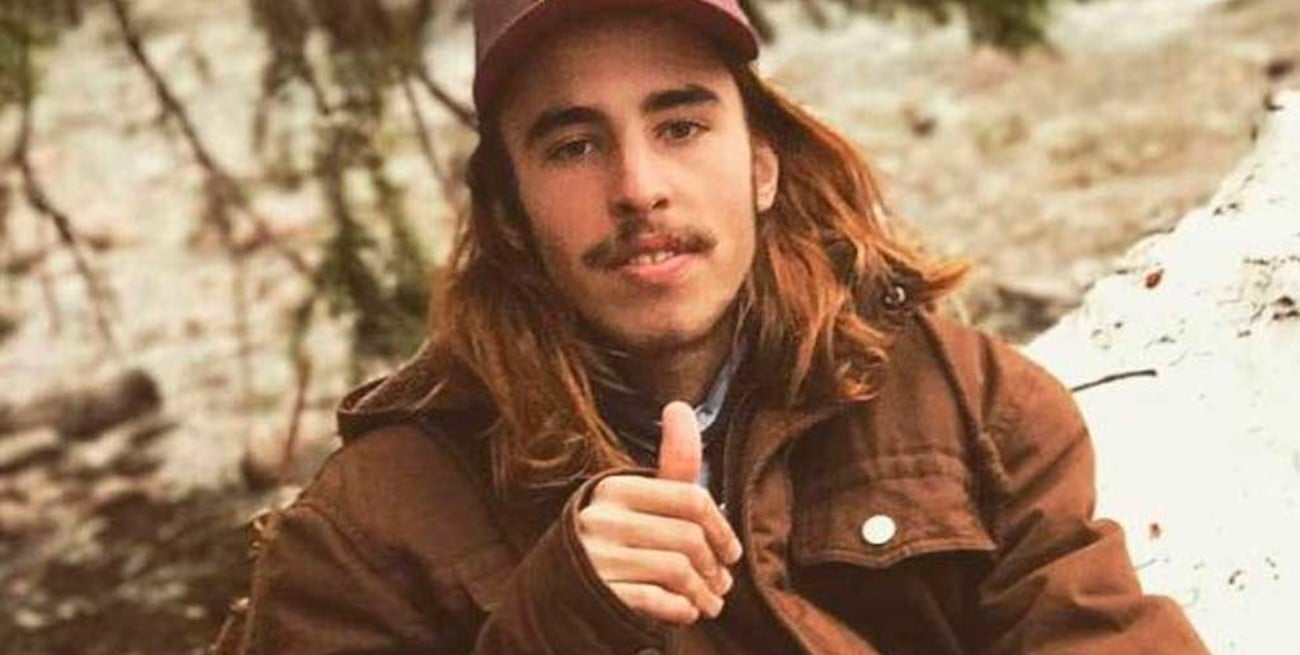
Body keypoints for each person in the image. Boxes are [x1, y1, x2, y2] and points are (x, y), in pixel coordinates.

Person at [212, 0, 1209, 653]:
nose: (638, 187)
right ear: (511, 212)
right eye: (573, 145)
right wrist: (561, 625)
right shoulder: (369, 530)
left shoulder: (973, 408)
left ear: (761, 166)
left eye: (680, 126)